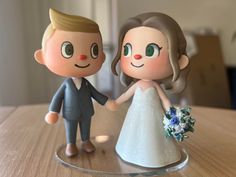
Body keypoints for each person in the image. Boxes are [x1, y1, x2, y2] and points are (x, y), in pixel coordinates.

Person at [111, 12, 190, 168]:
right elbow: (127, 94)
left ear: (179, 61)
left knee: (154, 138)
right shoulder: (138, 84)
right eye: (127, 50)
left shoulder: (154, 86)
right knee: (133, 136)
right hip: (135, 115)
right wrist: (116, 102)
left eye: (150, 51)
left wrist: (171, 113)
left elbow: (165, 100)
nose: (137, 57)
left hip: (155, 117)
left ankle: (154, 158)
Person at [34, 9, 114, 157]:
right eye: (68, 50)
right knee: (70, 129)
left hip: (86, 112)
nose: (82, 57)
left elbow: (95, 94)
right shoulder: (66, 85)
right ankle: (71, 144)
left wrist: (107, 102)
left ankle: (85, 141)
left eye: (94, 50)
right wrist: (53, 111)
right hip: (70, 114)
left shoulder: (86, 84)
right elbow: (58, 98)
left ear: (101, 57)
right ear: (42, 57)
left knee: (86, 128)